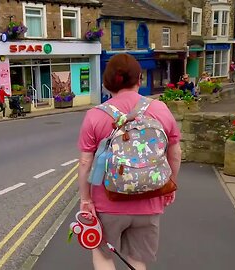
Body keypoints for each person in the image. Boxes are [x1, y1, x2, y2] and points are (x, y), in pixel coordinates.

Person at [77, 53, 182, 270]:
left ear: (107, 83)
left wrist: (86, 199)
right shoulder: (160, 109)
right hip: (150, 199)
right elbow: (175, 151)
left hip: (108, 202)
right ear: (139, 79)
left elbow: (85, 162)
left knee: (103, 256)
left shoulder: (95, 115)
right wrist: (171, 184)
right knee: (137, 260)